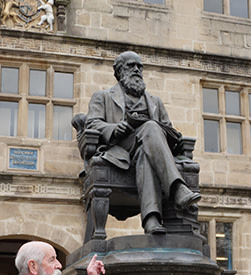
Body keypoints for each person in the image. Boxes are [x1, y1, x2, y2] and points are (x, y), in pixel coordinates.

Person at [86, 51, 201, 234]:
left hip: (147, 150)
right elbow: (92, 123)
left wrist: (165, 132)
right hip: (119, 149)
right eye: (131, 65)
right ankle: (178, 188)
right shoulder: (103, 96)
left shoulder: (155, 101)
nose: (137, 70)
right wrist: (114, 128)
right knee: (151, 127)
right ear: (119, 71)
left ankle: (151, 220)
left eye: (140, 66)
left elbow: (170, 130)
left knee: (147, 147)